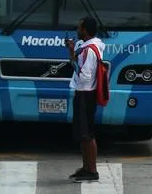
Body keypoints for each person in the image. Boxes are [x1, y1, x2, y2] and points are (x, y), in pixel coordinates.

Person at [66, 16, 105, 183]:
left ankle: (92, 170)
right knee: (83, 134)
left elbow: (84, 76)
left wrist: (73, 64)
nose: (77, 30)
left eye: (79, 28)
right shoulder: (89, 46)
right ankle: (86, 167)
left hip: (85, 94)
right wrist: (71, 50)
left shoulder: (89, 50)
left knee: (88, 134)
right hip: (84, 93)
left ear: (85, 31)